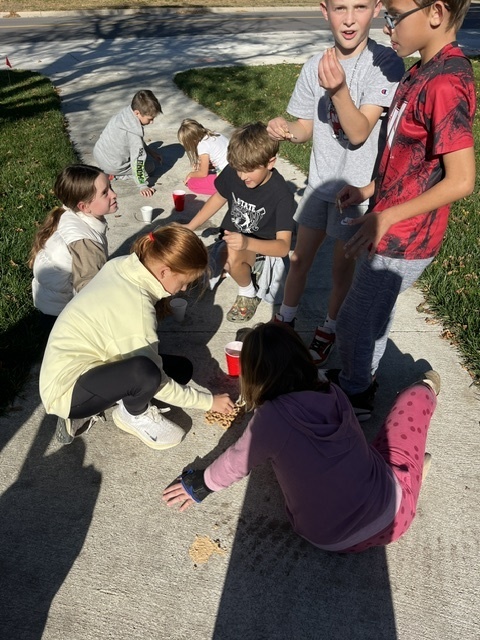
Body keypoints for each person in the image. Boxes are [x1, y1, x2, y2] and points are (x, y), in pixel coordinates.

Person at [163, 323, 440, 553]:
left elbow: (236, 461)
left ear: (254, 377)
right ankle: (426, 397)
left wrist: (202, 484)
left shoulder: (270, 419)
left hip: (326, 537)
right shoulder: (334, 393)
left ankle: (412, 475)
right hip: (391, 514)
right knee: (412, 400)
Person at [327, 0, 476, 420]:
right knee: (370, 314)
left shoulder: (446, 81)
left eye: (393, 15)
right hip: (389, 222)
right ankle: (361, 377)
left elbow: (461, 179)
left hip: (407, 236)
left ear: (435, 12)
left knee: (356, 320)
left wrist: (386, 216)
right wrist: (368, 190)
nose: (386, 26)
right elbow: (413, 160)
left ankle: (355, 394)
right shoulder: (421, 70)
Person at [267, 0, 405, 365]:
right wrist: (286, 131)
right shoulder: (315, 65)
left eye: (359, 7)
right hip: (319, 183)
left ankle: (329, 327)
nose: (348, 19)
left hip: (355, 190)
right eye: (339, 8)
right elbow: (306, 128)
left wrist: (339, 90)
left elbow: (359, 132)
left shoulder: (386, 64)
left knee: (340, 269)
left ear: (376, 9)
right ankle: (285, 322)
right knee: (299, 260)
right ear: (323, 10)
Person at [39, 225, 234, 450]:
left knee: (181, 370)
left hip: (83, 360)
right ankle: (132, 415)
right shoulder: (137, 308)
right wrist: (209, 402)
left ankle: (124, 397)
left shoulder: (124, 265)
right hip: (66, 390)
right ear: (164, 271)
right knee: (146, 374)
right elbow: (157, 381)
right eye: (184, 281)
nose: (184, 288)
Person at [185, 122, 296, 322]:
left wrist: (246, 243)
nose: (243, 176)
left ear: (270, 162)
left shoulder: (282, 195)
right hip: (232, 240)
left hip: (263, 251)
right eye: (238, 170)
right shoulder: (234, 171)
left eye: (249, 170)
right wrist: (190, 227)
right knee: (192, 274)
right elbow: (219, 197)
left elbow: (282, 247)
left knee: (231, 253)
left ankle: (248, 292)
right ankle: (229, 268)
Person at [29, 164, 117, 333]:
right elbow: (88, 290)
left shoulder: (71, 213)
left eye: (110, 187)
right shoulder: (85, 243)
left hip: (49, 301)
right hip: (60, 317)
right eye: (105, 193)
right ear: (84, 206)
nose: (114, 194)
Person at [93, 90, 163, 198]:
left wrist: (151, 151)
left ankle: (111, 171)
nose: (152, 122)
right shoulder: (134, 134)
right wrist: (142, 185)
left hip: (99, 155)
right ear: (137, 113)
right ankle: (116, 176)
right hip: (113, 166)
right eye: (150, 119)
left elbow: (137, 139)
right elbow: (138, 161)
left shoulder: (125, 115)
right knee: (150, 167)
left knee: (146, 157)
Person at [177, 118, 229, 195]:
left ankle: (226, 191)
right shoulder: (216, 134)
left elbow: (203, 173)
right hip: (236, 171)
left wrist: (190, 174)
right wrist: (202, 166)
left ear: (192, 141)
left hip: (227, 178)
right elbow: (221, 159)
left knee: (192, 182)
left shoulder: (202, 145)